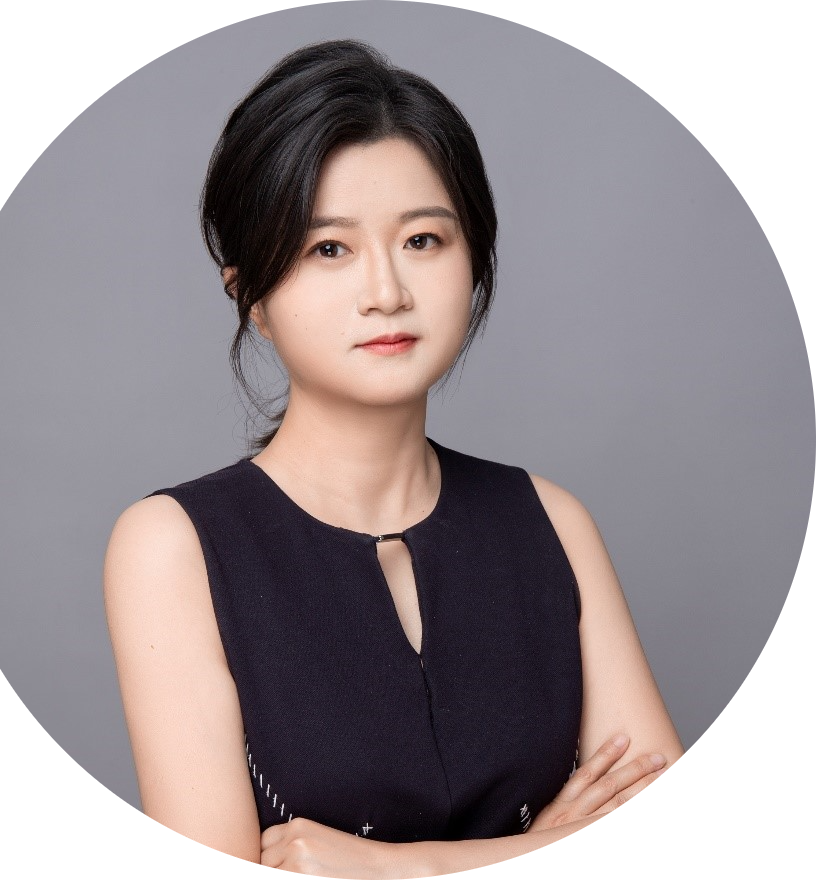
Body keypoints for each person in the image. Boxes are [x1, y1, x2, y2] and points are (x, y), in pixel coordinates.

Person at [103, 38, 685, 872]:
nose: (387, 292)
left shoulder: (551, 521)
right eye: (328, 249)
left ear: (473, 256)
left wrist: (380, 867)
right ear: (250, 295)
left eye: (423, 240)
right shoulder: (173, 547)